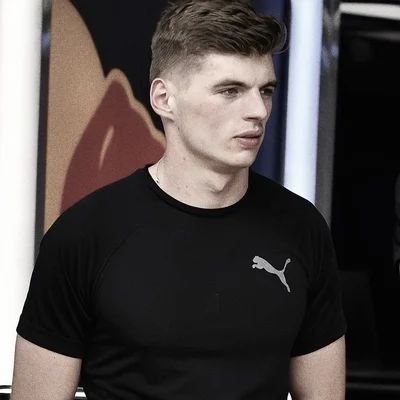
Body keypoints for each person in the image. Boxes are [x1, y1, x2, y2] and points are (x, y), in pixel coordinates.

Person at [11, 1, 346, 399]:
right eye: (230, 91)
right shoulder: (84, 235)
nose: (258, 110)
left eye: (266, 90)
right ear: (164, 98)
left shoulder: (302, 228)